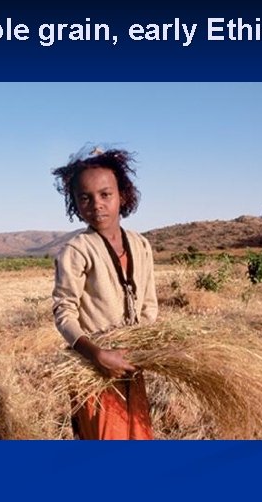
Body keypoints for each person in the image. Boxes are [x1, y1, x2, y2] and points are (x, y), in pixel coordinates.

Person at [51, 146, 158, 440]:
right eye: (84, 197)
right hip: (95, 371)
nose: (96, 204)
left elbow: (149, 305)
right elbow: (64, 312)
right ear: (75, 203)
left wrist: (144, 347)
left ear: (122, 195)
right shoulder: (76, 251)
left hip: (132, 366)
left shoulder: (141, 245)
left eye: (105, 194)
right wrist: (97, 354)